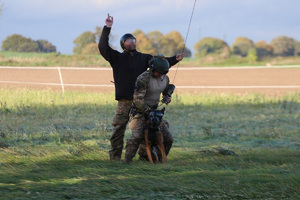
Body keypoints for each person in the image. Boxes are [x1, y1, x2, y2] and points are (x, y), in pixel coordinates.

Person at [98, 14, 184, 161]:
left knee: (148, 129)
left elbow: (159, 64)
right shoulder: (117, 58)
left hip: (144, 103)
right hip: (125, 102)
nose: (132, 42)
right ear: (123, 44)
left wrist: (173, 59)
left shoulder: (144, 58)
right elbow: (103, 47)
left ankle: (145, 156)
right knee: (118, 129)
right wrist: (107, 27)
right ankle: (115, 158)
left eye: (133, 40)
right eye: (128, 40)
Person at [124, 56, 174, 163]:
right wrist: (149, 112)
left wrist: (167, 97)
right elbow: (138, 100)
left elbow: (165, 92)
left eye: (163, 73)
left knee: (168, 138)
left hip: (155, 112)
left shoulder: (165, 78)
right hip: (139, 111)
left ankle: (158, 161)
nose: (161, 75)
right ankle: (127, 161)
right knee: (137, 136)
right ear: (152, 69)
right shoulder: (143, 78)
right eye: (159, 72)